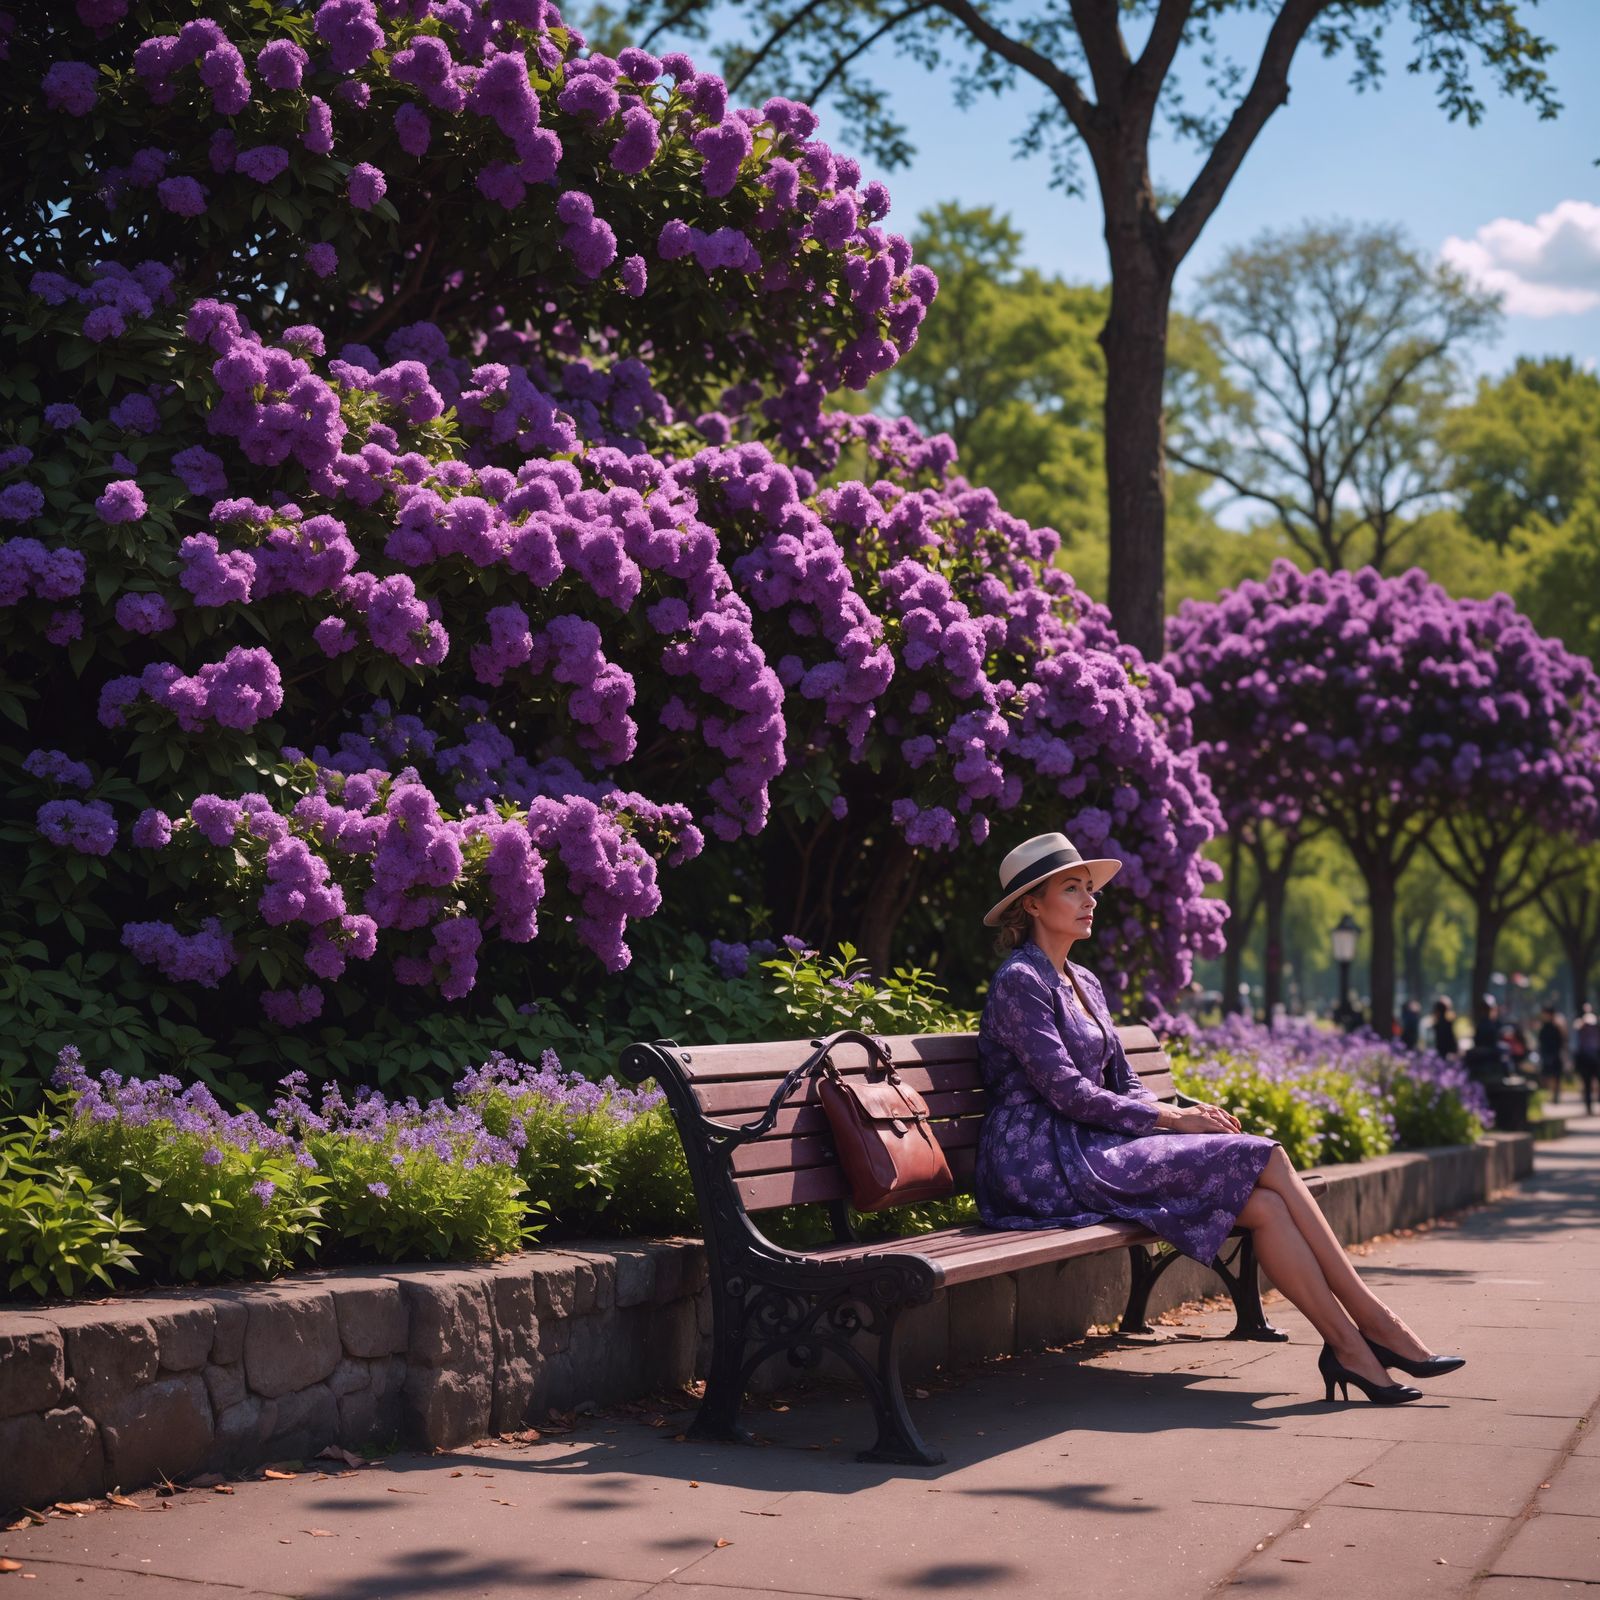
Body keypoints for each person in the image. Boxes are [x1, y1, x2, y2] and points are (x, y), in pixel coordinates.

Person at [975, 831, 1463, 1408]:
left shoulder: (1086, 983)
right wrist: (1171, 1120)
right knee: (1267, 1154)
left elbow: (1122, 1080)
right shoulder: (1020, 981)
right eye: (1072, 889)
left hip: (1091, 1143)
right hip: (1039, 1159)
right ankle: (1377, 1323)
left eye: (1090, 889)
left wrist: (1178, 1111)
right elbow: (1066, 1093)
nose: (1090, 900)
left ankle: (1350, 1349)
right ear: (1031, 905)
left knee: (1267, 1206)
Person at [1536, 1005, 1566, 1104]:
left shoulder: (1556, 1027)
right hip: (1546, 1054)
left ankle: (1555, 1097)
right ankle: (1548, 1097)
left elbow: (1561, 1042)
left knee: (1555, 1077)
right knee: (1546, 1076)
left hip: (1554, 1054)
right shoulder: (1544, 1026)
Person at [1574, 1002, 1600, 1117]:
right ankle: (1588, 1107)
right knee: (1587, 1084)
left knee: (1589, 1083)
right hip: (1586, 1058)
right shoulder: (1580, 1025)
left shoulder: (1595, 1026)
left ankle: (1591, 1105)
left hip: (1594, 1057)